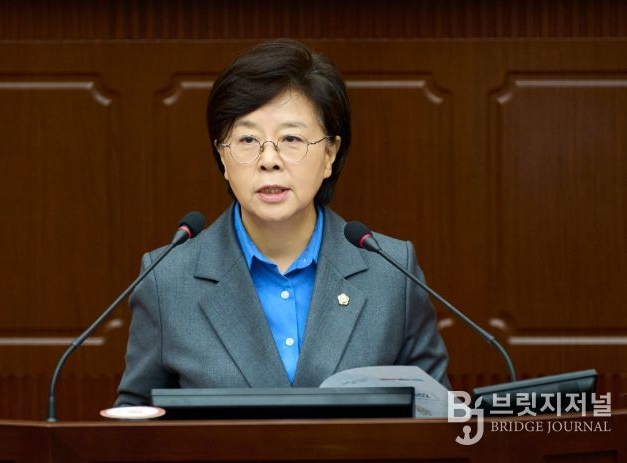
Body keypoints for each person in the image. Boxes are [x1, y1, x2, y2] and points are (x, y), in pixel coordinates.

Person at [116, 39, 450, 406]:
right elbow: (135, 422)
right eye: (247, 139)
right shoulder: (167, 281)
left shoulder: (391, 273)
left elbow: (436, 417)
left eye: (291, 138)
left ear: (330, 153)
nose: (269, 160)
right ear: (222, 158)